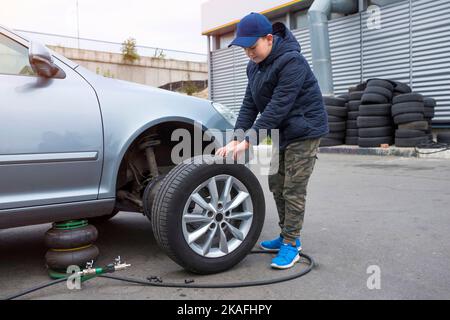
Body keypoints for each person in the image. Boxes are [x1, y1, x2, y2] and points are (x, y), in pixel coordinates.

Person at [215, 12, 329, 269]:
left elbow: (277, 107)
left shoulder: (293, 62)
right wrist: (236, 138)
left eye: (252, 47)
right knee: (277, 184)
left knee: (293, 188)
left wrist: (249, 141)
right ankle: (284, 234)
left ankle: (292, 243)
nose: (249, 54)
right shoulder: (253, 67)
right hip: (278, 132)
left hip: (304, 131)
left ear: (269, 39)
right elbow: (249, 105)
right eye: (244, 49)